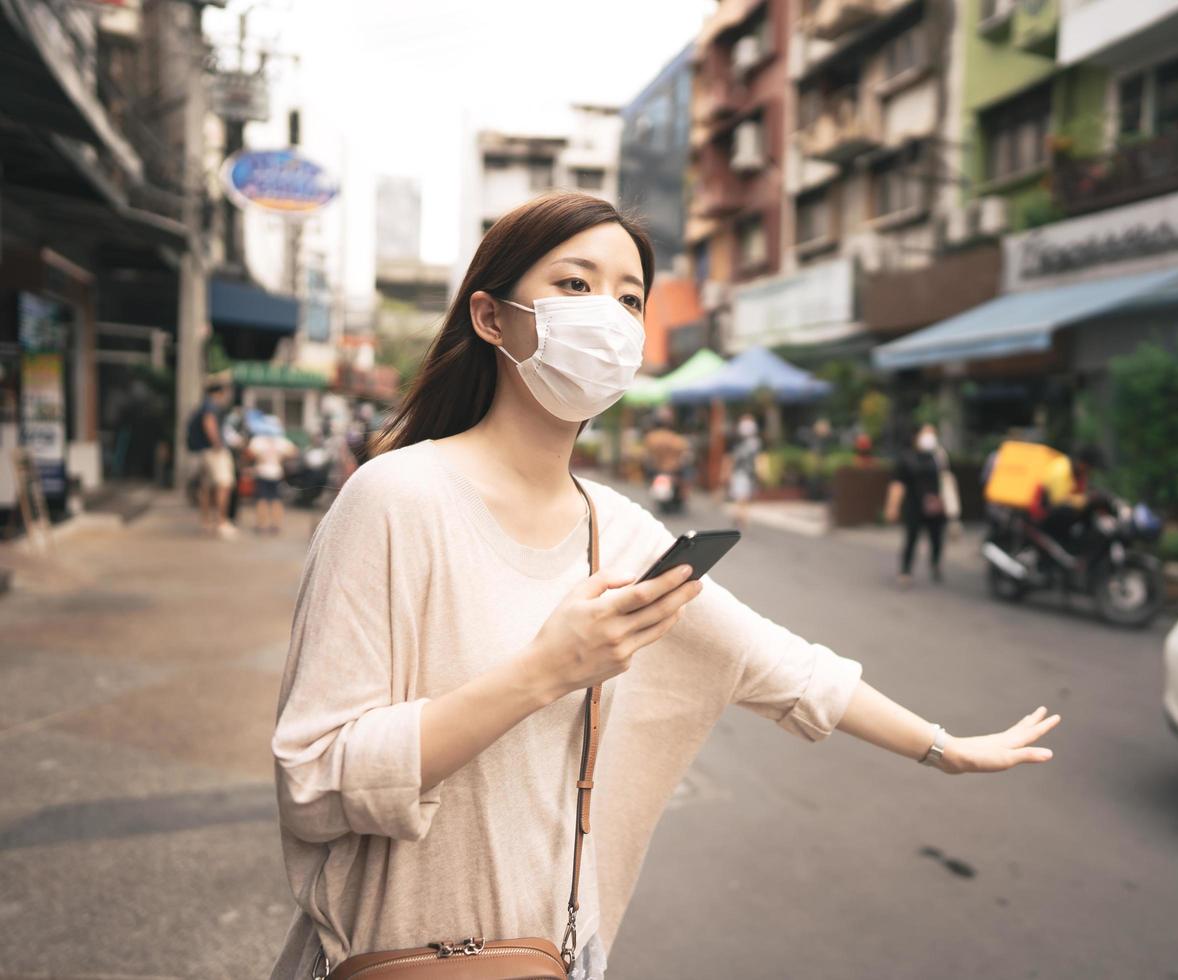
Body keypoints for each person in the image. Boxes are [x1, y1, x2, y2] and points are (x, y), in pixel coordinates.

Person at [268, 193, 1060, 980]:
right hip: (395, 958)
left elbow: (781, 665)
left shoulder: (619, 530)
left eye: (629, 298)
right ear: (490, 316)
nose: (608, 317)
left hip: (551, 960)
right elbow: (315, 777)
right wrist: (544, 672)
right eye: (575, 285)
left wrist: (944, 747)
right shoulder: (395, 499)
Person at [884, 423, 954, 588]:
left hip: (936, 506)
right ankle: (905, 571)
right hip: (914, 505)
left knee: (937, 539)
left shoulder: (939, 457)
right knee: (911, 539)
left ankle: (935, 564)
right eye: (927, 433)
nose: (930, 437)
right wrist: (892, 506)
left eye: (933, 433)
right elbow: (898, 484)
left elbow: (946, 481)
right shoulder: (906, 458)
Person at [185, 382, 237, 539]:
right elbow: (210, 423)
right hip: (214, 451)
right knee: (224, 484)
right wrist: (218, 444)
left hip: (202, 451)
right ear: (219, 393)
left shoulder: (202, 405)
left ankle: (205, 521)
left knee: (206, 486)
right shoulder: (211, 406)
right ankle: (222, 522)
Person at [1037, 443, 1107, 555]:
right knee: (1072, 509)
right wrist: (1086, 500)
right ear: (1083, 463)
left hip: (1058, 513)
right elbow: (1058, 501)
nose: (1090, 471)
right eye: (1090, 467)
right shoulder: (1061, 469)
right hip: (1044, 514)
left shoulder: (1078, 474)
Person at [246, 415, 298, 534]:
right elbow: (294, 452)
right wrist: (281, 458)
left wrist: (260, 458)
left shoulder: (258, 440)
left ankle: (261, 524)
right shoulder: (281, 441)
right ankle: (276, 524)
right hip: (276, 472)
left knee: (261, 498)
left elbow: (249, 453)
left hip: (261, 472)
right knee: (276, 498)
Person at [724, 413, 761, 530]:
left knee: (742, 496)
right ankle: (741, 517)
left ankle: (741, 517)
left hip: (744, 473)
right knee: (742, 496)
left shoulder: (746, 443)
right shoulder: (752, 442)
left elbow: (734, 458)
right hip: (744, 473)